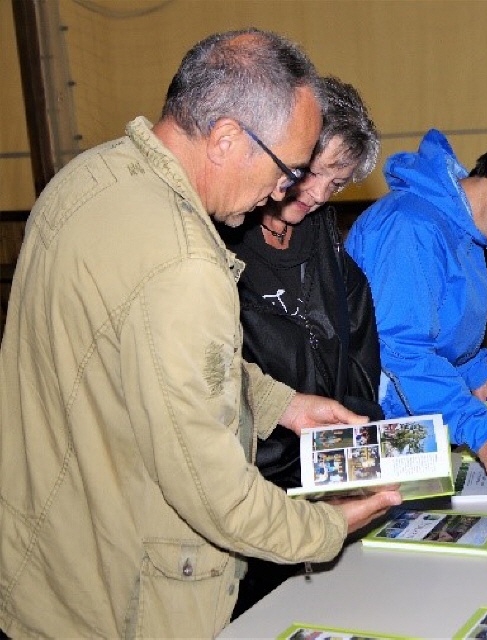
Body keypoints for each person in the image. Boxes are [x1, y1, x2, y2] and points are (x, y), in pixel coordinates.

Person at [0, 29, 401, 639]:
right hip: (117, 594)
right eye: (288, 169)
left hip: (45, 563)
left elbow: (141, 358)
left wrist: (281, 402)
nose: (286, 192)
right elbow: (217, 493)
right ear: (226, 139)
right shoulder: (187, 263)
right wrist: (326, 529)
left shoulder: (89, 177)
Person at [218, 75, 384, 618]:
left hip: (324, 476)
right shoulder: (225, 233)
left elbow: (356, 352)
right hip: (252, 487)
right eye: (312, 173)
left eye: (334, 185)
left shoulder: (323, 237)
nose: (315, 195)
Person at [346, 130, 487, 482]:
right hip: (380, 422)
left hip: (413, 415)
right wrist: (482, 432)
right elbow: (400, 350)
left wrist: (476, 374)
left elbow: (439, 332)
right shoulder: (409, 226)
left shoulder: (465, 234)